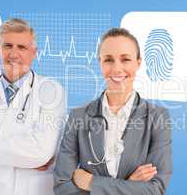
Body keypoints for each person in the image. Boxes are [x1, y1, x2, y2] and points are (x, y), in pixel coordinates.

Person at [54, 28, 172, 195]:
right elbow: (62, 187)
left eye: (125, 59)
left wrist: (91, 183)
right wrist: (129, 185)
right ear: (100, 63)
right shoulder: (78, 117)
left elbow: (155, 189)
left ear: (138, 63)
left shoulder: (157, 117)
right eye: (109, 60)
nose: (117, 69)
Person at [0, 18, 66, 195]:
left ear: (34, 52)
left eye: (22, 47)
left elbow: (40, 151)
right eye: (7, 46)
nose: (14, 54)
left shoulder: (51, 91)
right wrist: (21, 163)